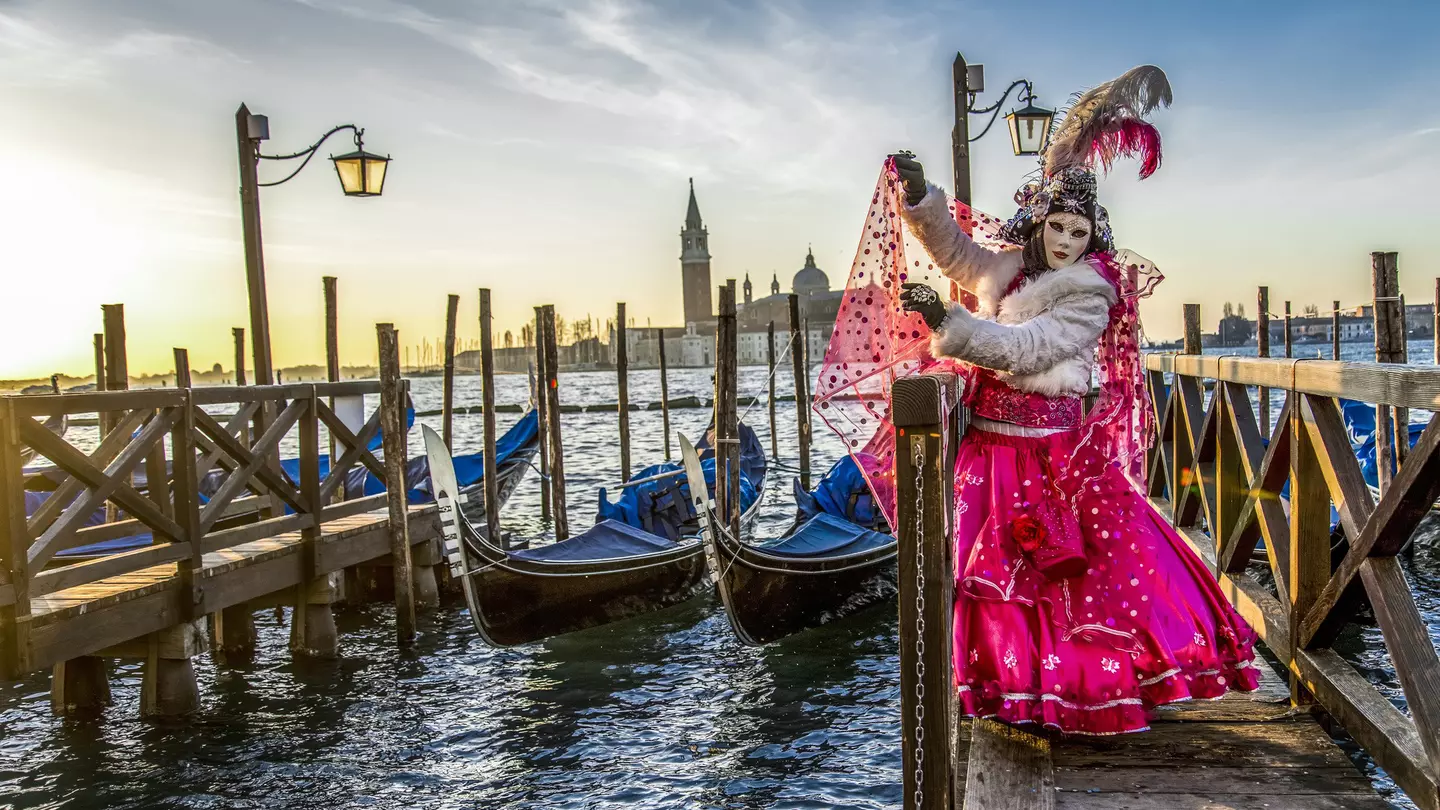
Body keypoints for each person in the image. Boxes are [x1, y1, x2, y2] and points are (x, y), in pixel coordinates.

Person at [892, 66, 1259, 735]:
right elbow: (956, 254)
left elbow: (1025, 349)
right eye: (1057, 227)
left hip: (1052, 456)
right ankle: (1018, 692)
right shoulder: (1010, 267)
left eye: (1078, 234)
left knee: (1073, 582)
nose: (1065, 242)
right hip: (992, 450)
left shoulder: (1088, 295)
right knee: (995, 587)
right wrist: (922, 201)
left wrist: (947, 323)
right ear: (1039, 226)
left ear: (1093, 242)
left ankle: (1084, 694)